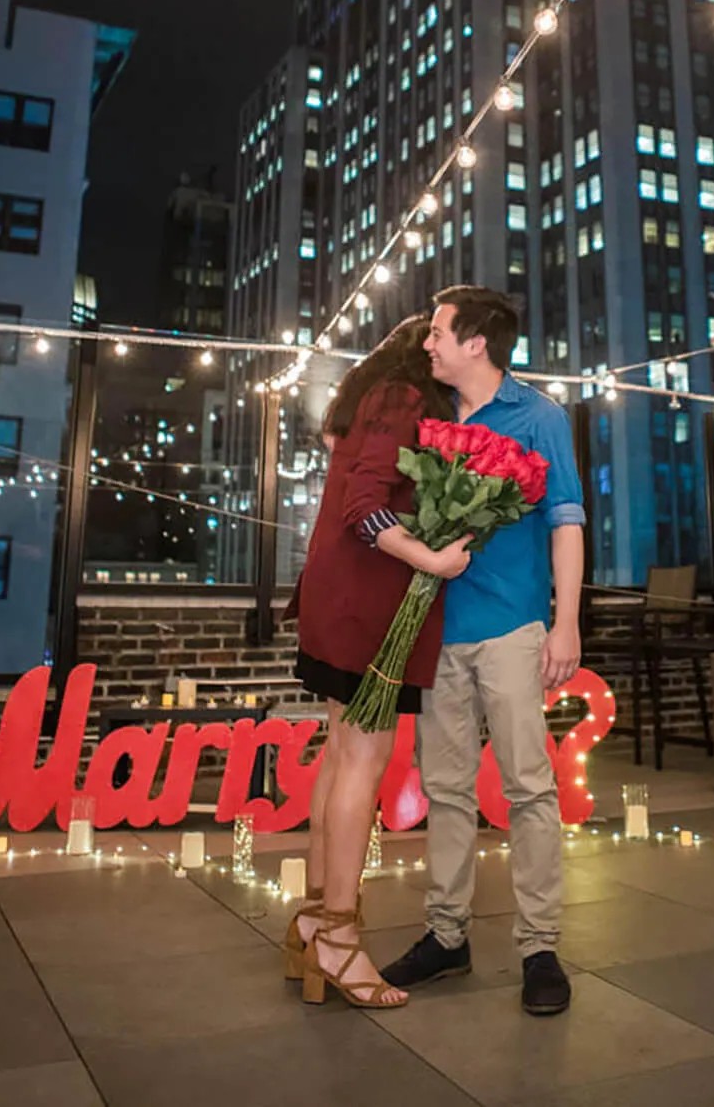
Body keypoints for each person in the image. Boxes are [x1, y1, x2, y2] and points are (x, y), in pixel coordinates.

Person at [382, 286, 585, 1016]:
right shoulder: (429, 416)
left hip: (512, 626)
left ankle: (539, 946)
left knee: (529, 787)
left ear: (477, 343)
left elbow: (565, 517)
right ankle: (447, 935)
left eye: (438, 332)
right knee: (445, 789)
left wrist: (566, 623)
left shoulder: (539, 415)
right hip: (438, 627)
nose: (427, 342)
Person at [286, 314, 473, 1009]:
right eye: (431, 342)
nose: (436, 351)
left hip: (337, 605)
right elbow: (365, 509)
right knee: (360, 763)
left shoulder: (367, 396)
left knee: (340, 757)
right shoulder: (401, 398)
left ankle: (312, 919)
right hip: (367, 611)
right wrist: (433, 558)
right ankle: (338, 939)